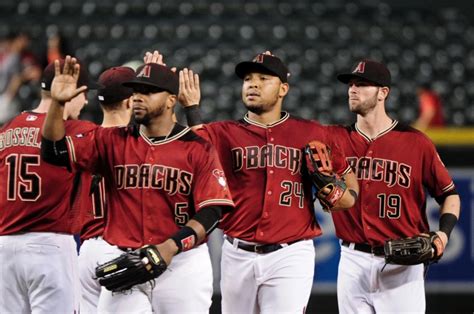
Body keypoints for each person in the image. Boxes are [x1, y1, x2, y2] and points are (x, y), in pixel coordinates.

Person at [41, 56, 235, 313]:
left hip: (182, 266)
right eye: (136, 91)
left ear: (170, 100)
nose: (138, 97)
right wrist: (57, 104)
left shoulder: (197, 147)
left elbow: (212, 212)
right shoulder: (111, 140)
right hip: (126, 260)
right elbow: (54, 151)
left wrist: (171, 245)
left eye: (149, 91)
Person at [179, 51, 359, 313]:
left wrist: (344, 194)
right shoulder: (223, 132)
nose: (253, 84)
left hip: (290, 253)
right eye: (248, 79)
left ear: (283, 88)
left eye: (264, 78)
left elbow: (348, 178)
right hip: (236, 252)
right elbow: (192, 149)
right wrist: (191, 108)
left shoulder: (311, 132)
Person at [329, 59, 461, 313]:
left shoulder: (415, 143)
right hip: (351, 260)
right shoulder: (335, 139)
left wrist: (443, 233)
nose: (352, 89)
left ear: (383, 93)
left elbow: (450, 195)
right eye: (351, 84)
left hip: (402, 265)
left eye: (362, 84)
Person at [0, 58, 99, 313]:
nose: (86, 101)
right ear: (73, 91)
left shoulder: (8, 128)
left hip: (5, 247)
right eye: (85, 94)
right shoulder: (75, 130)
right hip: (50, 245)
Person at [78, 66, 135, 313]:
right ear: (130, 101)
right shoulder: (136, 143)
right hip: (118, 248)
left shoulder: (82, 140)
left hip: (87, 249)